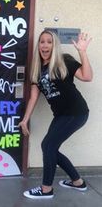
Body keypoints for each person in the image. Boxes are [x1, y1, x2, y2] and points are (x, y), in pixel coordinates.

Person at [19, 30, 93, 199]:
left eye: (49, 42)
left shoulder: (64, 60)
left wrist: (82, 52)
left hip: (76, 112)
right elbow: (34, 97)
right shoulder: (37, 70)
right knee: (49, 147)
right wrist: (25, 120)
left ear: (55, 45)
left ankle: (46, 189)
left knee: (48, 146)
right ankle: (77, 182)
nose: (45, 45)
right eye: (42, 42)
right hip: (61, 115)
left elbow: (87, 76)